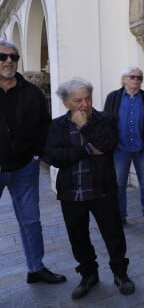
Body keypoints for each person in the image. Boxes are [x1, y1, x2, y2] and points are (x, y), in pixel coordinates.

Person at [43, 77, 135, 300]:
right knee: (78, 237)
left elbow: (107, 144)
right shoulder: (57, 126)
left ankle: (120, 274)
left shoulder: (105, 120)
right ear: (66, 103)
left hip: (102, 189)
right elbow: (54, 157)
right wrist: (86, 150)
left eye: (87, 98)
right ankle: (88, 275)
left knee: (113, 234)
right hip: (71, 192)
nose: (85, 104)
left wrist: (85, 125)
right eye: (78, 101)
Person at [0, 39, 67, 285]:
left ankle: (36, 268)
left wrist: (38, 154)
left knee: (31, 221)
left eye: (13, 57)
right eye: (3, 57)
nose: (8, 61)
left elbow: (44, 127)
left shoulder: (32, 92)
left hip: (24, 168)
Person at [104, 67, 144, 227]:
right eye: (133, 77)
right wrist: (109, 142)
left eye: (139, 78)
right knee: (119, 184)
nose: (136, 80)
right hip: (120, 149)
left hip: (142, 149)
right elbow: (106, 120)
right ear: (124, 80)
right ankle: (121, 215)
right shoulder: (113, 97)